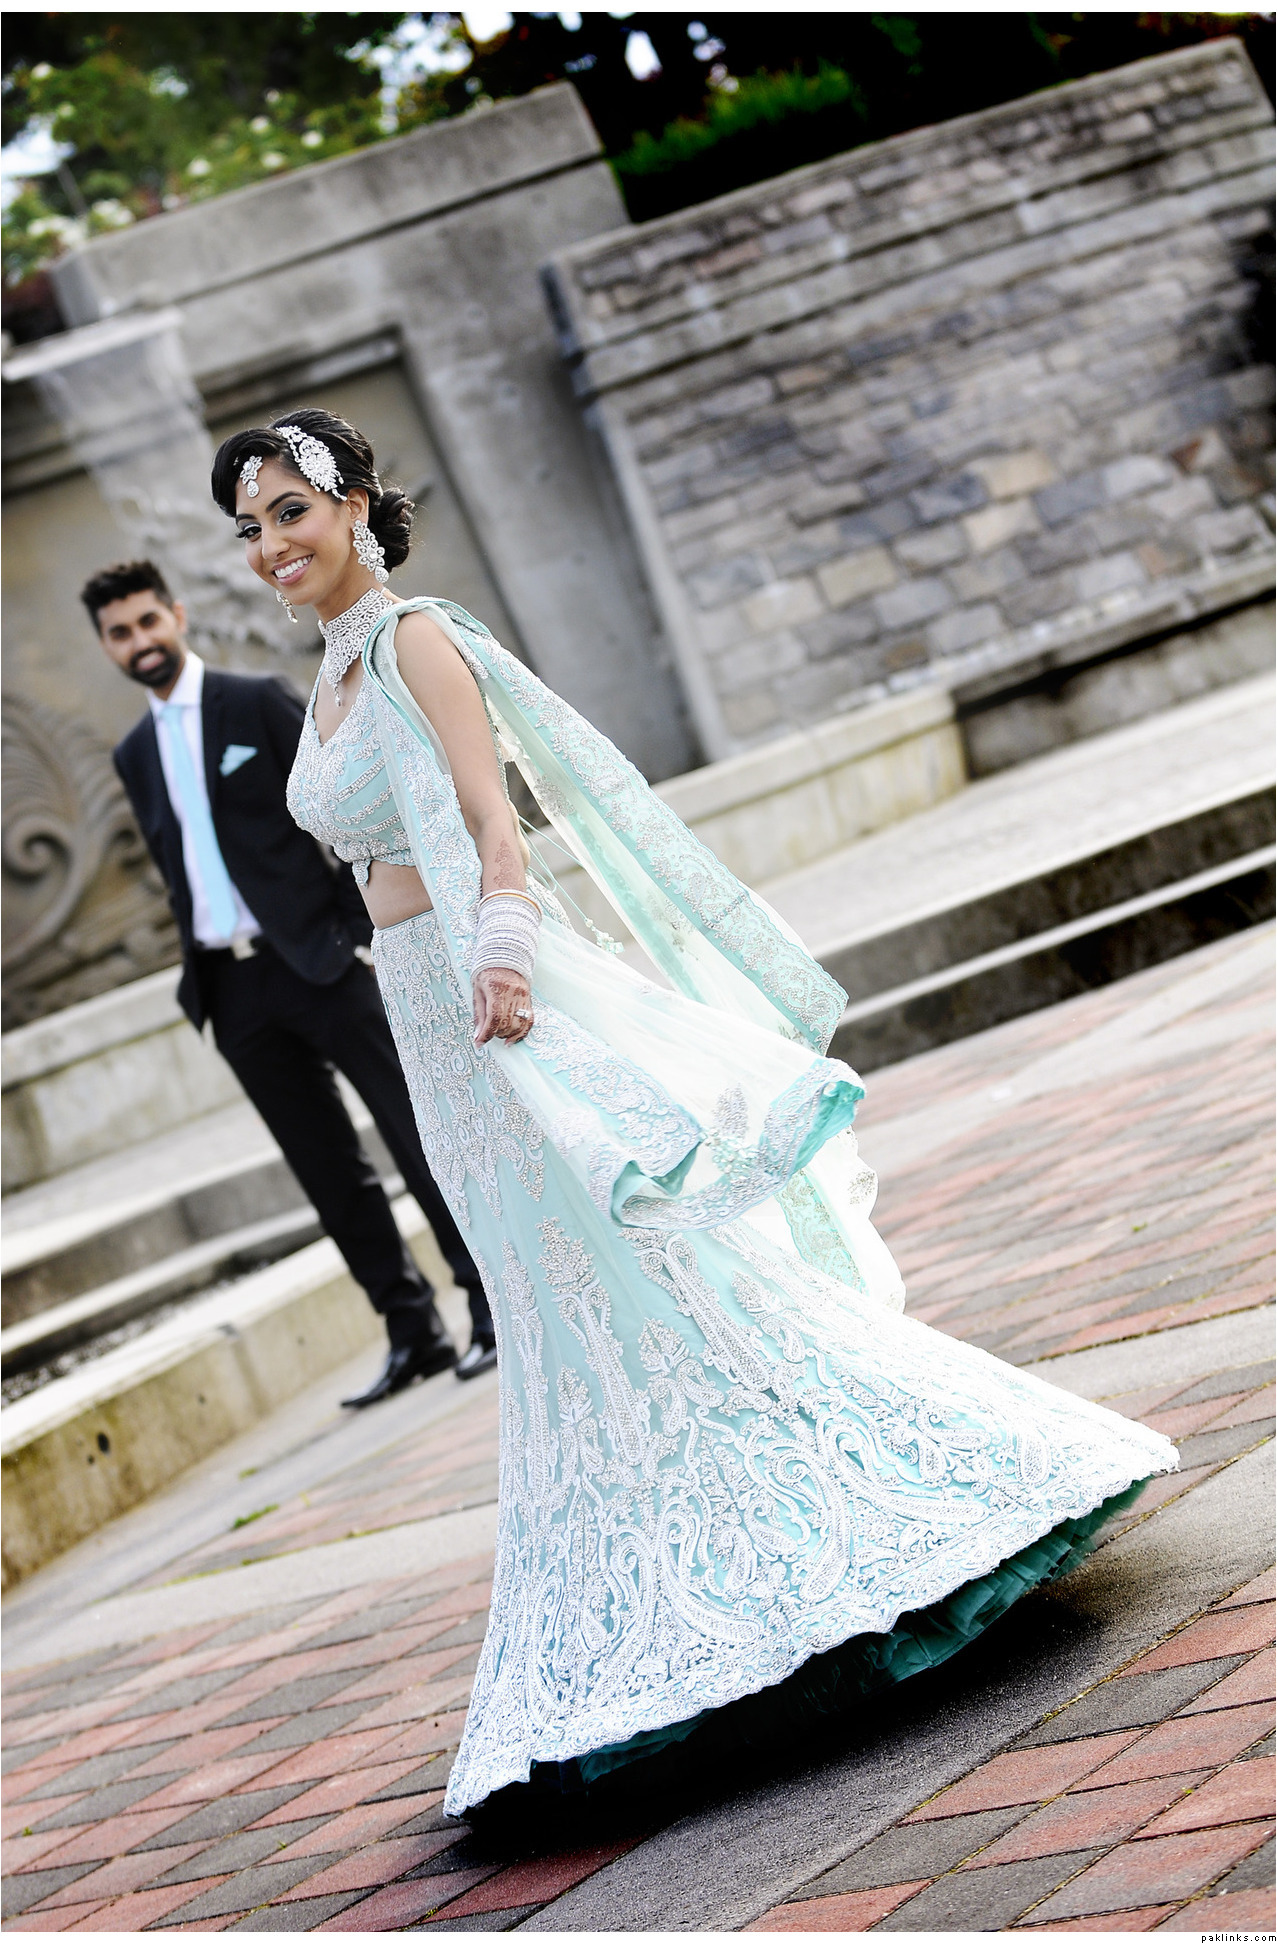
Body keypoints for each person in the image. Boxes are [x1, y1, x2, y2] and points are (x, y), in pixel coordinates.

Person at [211, 407, 1177, 1822]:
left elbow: (489, 820)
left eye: (290, 512)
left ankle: (884, 1514)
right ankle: (652, 1576)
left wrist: (502, 951)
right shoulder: (329, 675)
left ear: (355, 502)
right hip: (421, 1015)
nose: (269, 546)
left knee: (646, 1270)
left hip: (486, 994)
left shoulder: (416, 640)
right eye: (249, 529)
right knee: (558, 1302)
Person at [87, 557, 499, 1401]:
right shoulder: (131, 753)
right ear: (107, 647)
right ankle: (410, 1330)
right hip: (231, 989)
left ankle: (488, 1303)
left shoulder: (255, 701)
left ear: (177, 615)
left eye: (148, 622)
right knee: (327, 1173)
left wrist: (353, 935)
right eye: (119, 634)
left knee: (414, 1132)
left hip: (320, 963)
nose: (139, 642)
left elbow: (337, 813)